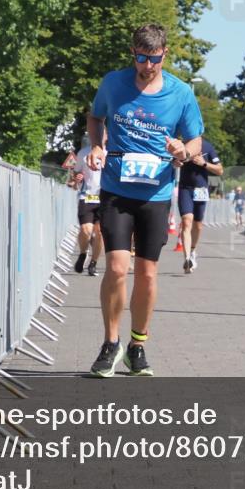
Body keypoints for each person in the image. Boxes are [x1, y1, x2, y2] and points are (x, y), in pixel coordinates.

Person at [85, 24, 203, 377]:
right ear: (132, 52)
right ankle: (111, 343)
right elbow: (96, 117)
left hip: (156, 193)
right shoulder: (114, 83)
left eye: (152, 59)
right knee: (118, 268)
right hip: (117, 189)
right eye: (140, 57)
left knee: (147, 274)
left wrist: (183, 148)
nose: (146, 65)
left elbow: (196, 140)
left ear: (164, 53)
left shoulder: (180, 94)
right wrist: (96, 145)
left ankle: (138, 344)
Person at [177, 137, 223, 273]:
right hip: (185, 188)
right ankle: (186, 259)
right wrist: (175, 162)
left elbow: (220, 170)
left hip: (201, 189)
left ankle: (192, 251)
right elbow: (170, 161)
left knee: (198, 224)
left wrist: (204, 163)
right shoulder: (181, 145)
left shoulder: (207, 147)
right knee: (186, 221)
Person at [71, 132, 105, 276]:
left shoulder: (111, 153)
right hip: (87, 196)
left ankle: (93, 263)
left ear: (106, 137)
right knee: (86, 230)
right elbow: (76, 173)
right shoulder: (83, 153)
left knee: (99, 233)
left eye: (102, 134)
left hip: (104, 198)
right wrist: (77, 178)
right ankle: (83, 252)